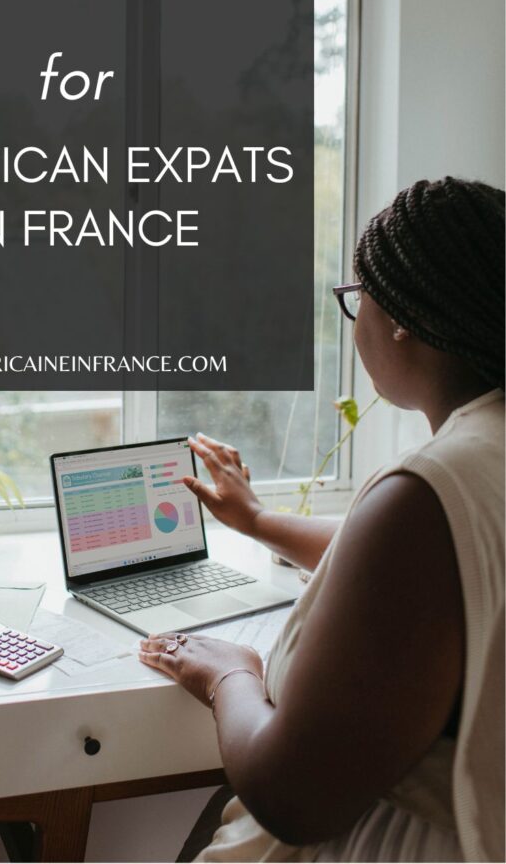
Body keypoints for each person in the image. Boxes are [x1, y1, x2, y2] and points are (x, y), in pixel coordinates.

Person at [138, 178, 505, 863]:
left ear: (398, 315)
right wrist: (258, 520)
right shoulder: (479, 462)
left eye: (354, 298)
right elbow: (440, 572)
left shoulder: (429, 489)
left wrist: (228, 677)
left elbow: (292, 796)